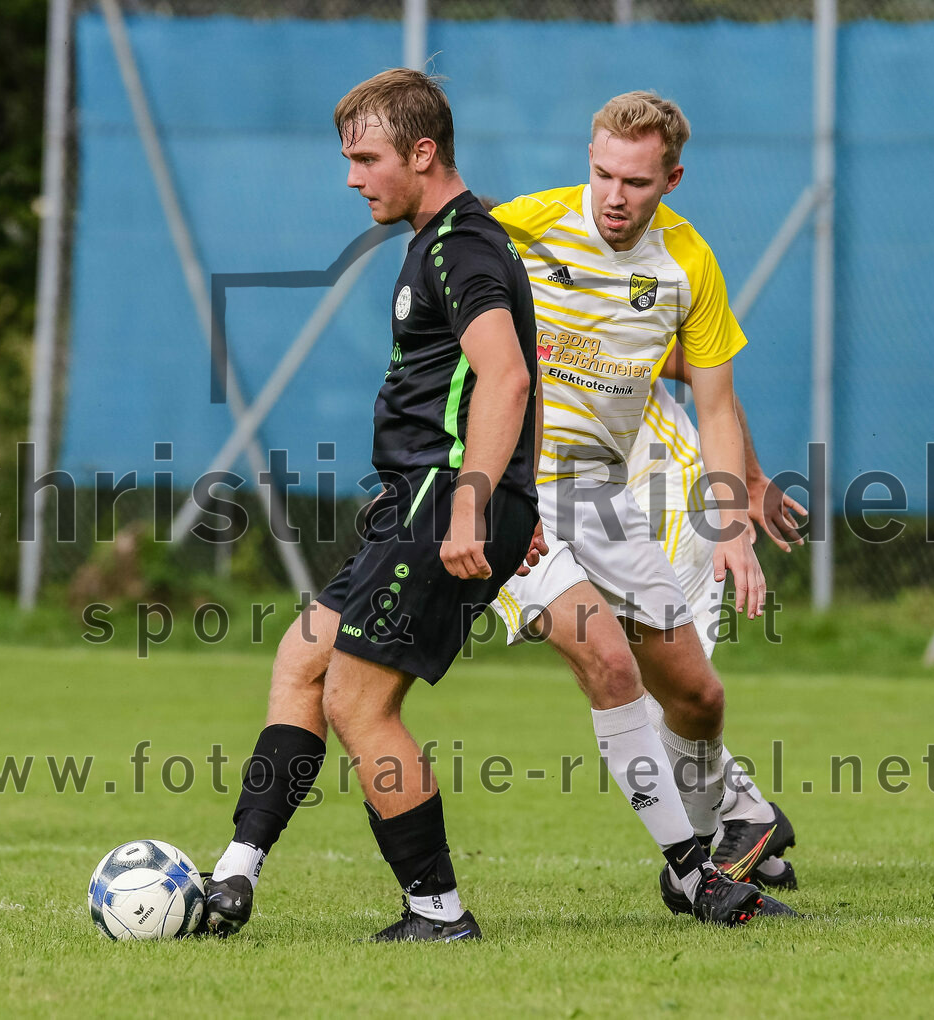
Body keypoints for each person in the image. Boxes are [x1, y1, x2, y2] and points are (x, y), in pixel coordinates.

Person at [203, 68, 540, 942]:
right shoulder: (437, 241)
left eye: (366, 158)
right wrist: (504, 497)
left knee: (358, 702)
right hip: (417, 501)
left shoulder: (460, 246)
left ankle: (437, 913)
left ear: (422, 154)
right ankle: (235, 873)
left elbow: (505, 375)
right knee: (300, 662)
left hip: (439, 502)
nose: (353, 177)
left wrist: (477, 505)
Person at [487, 90, 797, 920]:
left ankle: (735, 824)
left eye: (635, 181)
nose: (614, 196)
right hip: (511, 493)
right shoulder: (525, 226)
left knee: (697, 697)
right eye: (601, 174)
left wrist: (735, 526)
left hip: (602, 498)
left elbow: (717, 402)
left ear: (672, 179)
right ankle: (696, 876)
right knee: (610, 666)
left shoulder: (687, 263)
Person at [626, 344, 807, 891]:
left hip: (668, 502)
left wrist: (748, 479)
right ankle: (752, 829)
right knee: (642, 686)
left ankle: (747, 816)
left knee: (662, 692)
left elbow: (711, 377)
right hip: (611, 514)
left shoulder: (591, 290)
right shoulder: (516, 291)